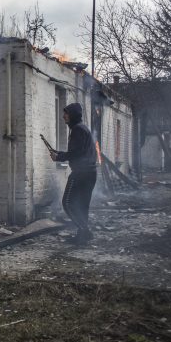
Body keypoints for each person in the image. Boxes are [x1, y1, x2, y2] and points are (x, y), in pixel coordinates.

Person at [48, 103, 98, 245]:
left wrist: (59, 157)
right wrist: (60, 154)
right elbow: (78, 151)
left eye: (66, 113)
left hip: (81, 174)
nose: (64, 116)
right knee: (82, 206)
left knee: (68, 203)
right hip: (89, 173)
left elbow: (76, 153)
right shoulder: (82, 129)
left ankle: (85, 231)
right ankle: (81, 236)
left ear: (73, 115)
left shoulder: (77, 130)